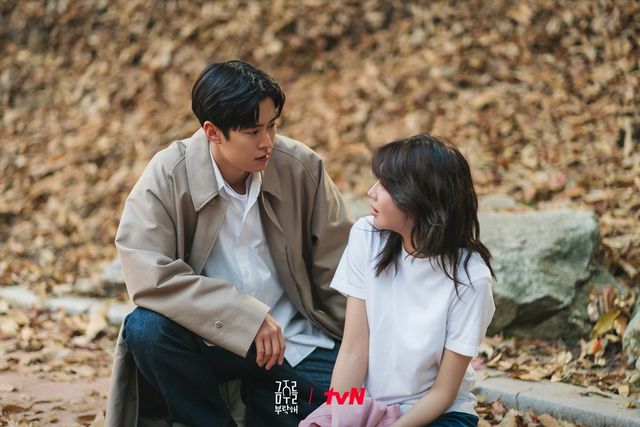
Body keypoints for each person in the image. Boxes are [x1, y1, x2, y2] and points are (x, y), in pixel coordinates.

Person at [105, 60, 352, 427]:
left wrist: (373, 344)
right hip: (214, 342)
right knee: (146, 329)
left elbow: (340, 267)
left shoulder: (300, 167)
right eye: (253, 131)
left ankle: (267, 404)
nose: (267, 141)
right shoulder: (169, 175)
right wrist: (246, 316)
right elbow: (149, 275)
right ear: (213, 132)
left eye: (272, 125)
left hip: (293, 345)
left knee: (332, 410)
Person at [303, 134, 495, 427]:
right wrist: (341, 419)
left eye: (386, 185)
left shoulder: (471, 278)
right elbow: (354, 349)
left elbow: (444, 392)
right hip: (370, 406)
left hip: (437, 414)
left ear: (421, 199)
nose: (371, 192)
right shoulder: (367, 236)